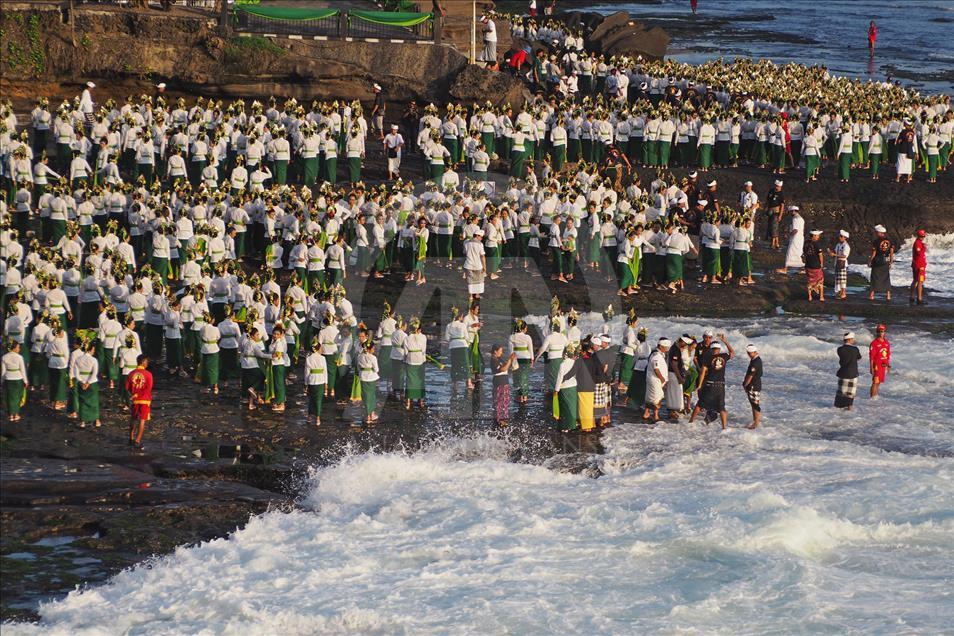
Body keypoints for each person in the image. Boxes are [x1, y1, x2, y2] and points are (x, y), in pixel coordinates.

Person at [689, 334, 734, 429]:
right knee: (722, 407)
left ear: (711, 349)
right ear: (719, 349)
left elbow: (702, 372)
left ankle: (691, 421)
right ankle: (724, 428)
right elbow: (732, 352)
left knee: (700, 404)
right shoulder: (724, 356)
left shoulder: (708, 358)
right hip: (721, 386)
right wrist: (725, 341)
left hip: (710, 385)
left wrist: (700, 385)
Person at [126, 355, 153, 449]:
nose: (147, 363)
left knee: (133, 418)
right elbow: (148, 388)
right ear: (143, 362)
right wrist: (139, 394)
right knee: (142, 420)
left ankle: (131, 438)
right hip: (145, 400)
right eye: (146, 361)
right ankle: (137, 441)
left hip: (135, 400)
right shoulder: (148, 374)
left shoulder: (131, 373)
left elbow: (127, 387)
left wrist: (134, 394)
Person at [643, 338, 670, 422]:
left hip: (655, 380)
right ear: (661, 346)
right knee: (657, 398)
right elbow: (656, 369)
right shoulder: (656, 356)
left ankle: (647, 413)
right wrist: (662, 379)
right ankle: (655, 415)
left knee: (651, 397)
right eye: (666, 347)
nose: (667, 349)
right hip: (655, 380)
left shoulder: (658, 354)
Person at [491, 343, 516, 427]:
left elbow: (506, 366)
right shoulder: (493, 360)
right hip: (499, 382)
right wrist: (509, 360)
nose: (501, 353)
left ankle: (503, 418)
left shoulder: (499, 358)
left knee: (504, 400)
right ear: (495, 351)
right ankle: (500, 420)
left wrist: (511, 360)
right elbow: (502, 369)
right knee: (499, 401)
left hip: (504, 382)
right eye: (500, 351)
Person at [2, 339, 28, 421]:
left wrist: (2, 381)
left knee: (10, 397)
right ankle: (16, 414)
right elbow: (22, 370)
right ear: (14, 348)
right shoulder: (20, 357)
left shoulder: (4, 357)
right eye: (18, 347)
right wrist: (25, 381)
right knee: (17, 397)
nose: (19, 349)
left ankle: (10, 415)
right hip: (18, 378)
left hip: (8, 378)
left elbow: (3, 371)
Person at [835, 332, 862, 410]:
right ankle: (849, 409)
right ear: (850, 339)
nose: (853, 340)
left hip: (843, 372)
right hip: (853, 373)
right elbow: (859, 358)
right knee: (850, 393)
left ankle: (838, 408)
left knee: (841, 392)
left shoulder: (839, 349)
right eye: (853, 339)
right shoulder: (855, 349)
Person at [304, 338, 327, 426]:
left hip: (311, 380)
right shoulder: (322, 358)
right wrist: (326, 383)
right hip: (320, 380)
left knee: (311, 399)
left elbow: (306, 372)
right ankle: (317, 418)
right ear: (318, 348)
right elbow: (325, 371)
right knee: (318, 400)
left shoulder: (308, 358)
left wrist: (306, 384)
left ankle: (309, 416)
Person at [868, 224, 894, 302]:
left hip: (877, 260)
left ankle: (872, 295)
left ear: (880, 233)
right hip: (886, 260)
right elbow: (891, 251)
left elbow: (874, 252)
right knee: (886, 278)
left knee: (874, 277)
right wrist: (891, 261)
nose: (876, 234)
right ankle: (888, 295)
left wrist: (870, 261)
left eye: (877, 232)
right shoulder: (890, 241)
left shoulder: (876, 241)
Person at [357, 340, 379, 424]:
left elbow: (358, 367)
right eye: (373, 348)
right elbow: (376, 369)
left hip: (363, 376)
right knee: (371, 396)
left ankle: (367, 415)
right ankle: (371, 414)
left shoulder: (360, 356)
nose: (374, 349)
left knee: (365, 396)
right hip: (371, 377)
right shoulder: (373, 357)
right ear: (370, 349)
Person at [777, 205, 804, 274]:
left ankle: (785, 269)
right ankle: (803, 268)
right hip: (800, 238)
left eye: (790, 212)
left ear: (793, 211)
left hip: (795, 238)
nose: (790, 214)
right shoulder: (800, 218)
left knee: (789, 253)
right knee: (798, 253)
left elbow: (795, 230)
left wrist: (788, 235)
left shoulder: (796, 219)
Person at [742, 343, 762, 428]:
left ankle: (756, 423)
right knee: (753, 404)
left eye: (750, 353)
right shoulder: (756, 359)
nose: (748, 354)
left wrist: (745, 384)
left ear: (755, 352)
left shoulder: (755, 363)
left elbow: (750, 376)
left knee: (755, 404)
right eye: (748, 353)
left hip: (753, 385)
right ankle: (755, 421)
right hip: (756, 384)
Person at [869, 324, 890, 398]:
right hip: (876, 365)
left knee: (879, 382)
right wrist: (871, 367)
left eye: (882, 331)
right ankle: (872, 398)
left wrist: (888, 365)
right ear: (877, 332)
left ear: (884, 332)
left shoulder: (886, 343)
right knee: (875, 382)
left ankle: (875, 397)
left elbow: (887, 355)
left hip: (883, 365)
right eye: (879, 331)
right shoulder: (874, 343)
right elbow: (871, 357)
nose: (880, 333)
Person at [804, 229, 825, 302]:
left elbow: (804, 252)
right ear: (814, 236)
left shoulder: (806, 243)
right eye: (818, 235)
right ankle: (821, 297)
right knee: (820, 280)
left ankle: (810, 297)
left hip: (808, 265)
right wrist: (821, 264)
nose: (819, 237)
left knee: (810, 280)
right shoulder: (817, 244)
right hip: (816, 265)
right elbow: (820, 255)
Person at [829, 230, 851, 300]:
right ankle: (839, 293)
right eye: (840, 236)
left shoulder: (846, 246)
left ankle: (843, 293)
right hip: (837, 263)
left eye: (841, 236)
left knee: (842, 280)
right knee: (838, 279)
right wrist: (831, 252)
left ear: (845, 238)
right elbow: (835, 251)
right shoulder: (838, 244)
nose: (840, 238)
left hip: (842, 264)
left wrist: (834, 254)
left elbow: (844, 256)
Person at [910, 229, 927, 305]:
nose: (923, 237)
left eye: (923, 236)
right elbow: (919, 252)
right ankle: (919, 299)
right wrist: (924, 247)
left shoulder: (919, 243)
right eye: (921, 236)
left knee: (916, 280)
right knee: (920, 281)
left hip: (917, 264)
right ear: (918, 236)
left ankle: (912, 297)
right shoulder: (917, 243)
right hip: (919, 265)